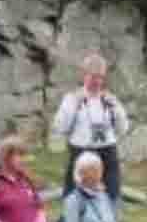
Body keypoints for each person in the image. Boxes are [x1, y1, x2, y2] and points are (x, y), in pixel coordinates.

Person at [53, 54, 130, 202]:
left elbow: (123, 129)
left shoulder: (110, 99)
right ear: (84, 75)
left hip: (107, 153)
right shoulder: (71, 98)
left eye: (100, 77)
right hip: (81, 153)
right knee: (75, 200)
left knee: (111, 198)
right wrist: (74, 105)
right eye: (93, 76)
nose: (96, 81)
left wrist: (116, 109)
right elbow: (61, 127)